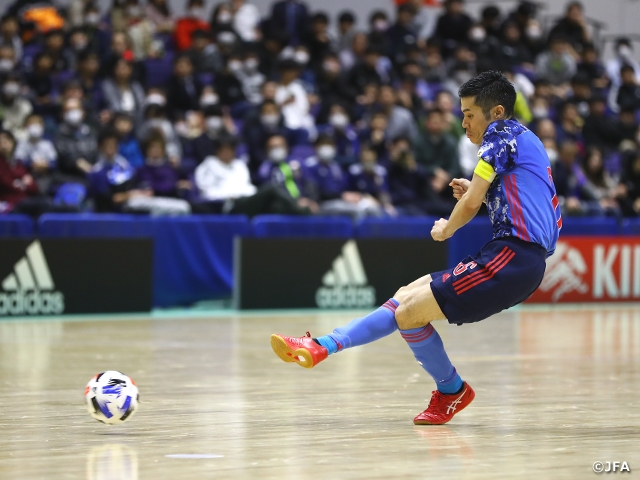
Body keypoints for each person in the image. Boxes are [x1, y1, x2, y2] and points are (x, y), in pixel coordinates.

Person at [270, 71, 560, 425]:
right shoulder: (525, 139)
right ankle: (321, 347)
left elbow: (469, 207)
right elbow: (526, 201)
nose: (464, 123)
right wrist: (479, 192)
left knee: (408, 314)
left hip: (512, 259)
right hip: (513, 256)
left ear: (496, 113)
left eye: (470, 114)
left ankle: (451, 390)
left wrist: (447, 227)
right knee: (405, 296)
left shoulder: (498, 137)